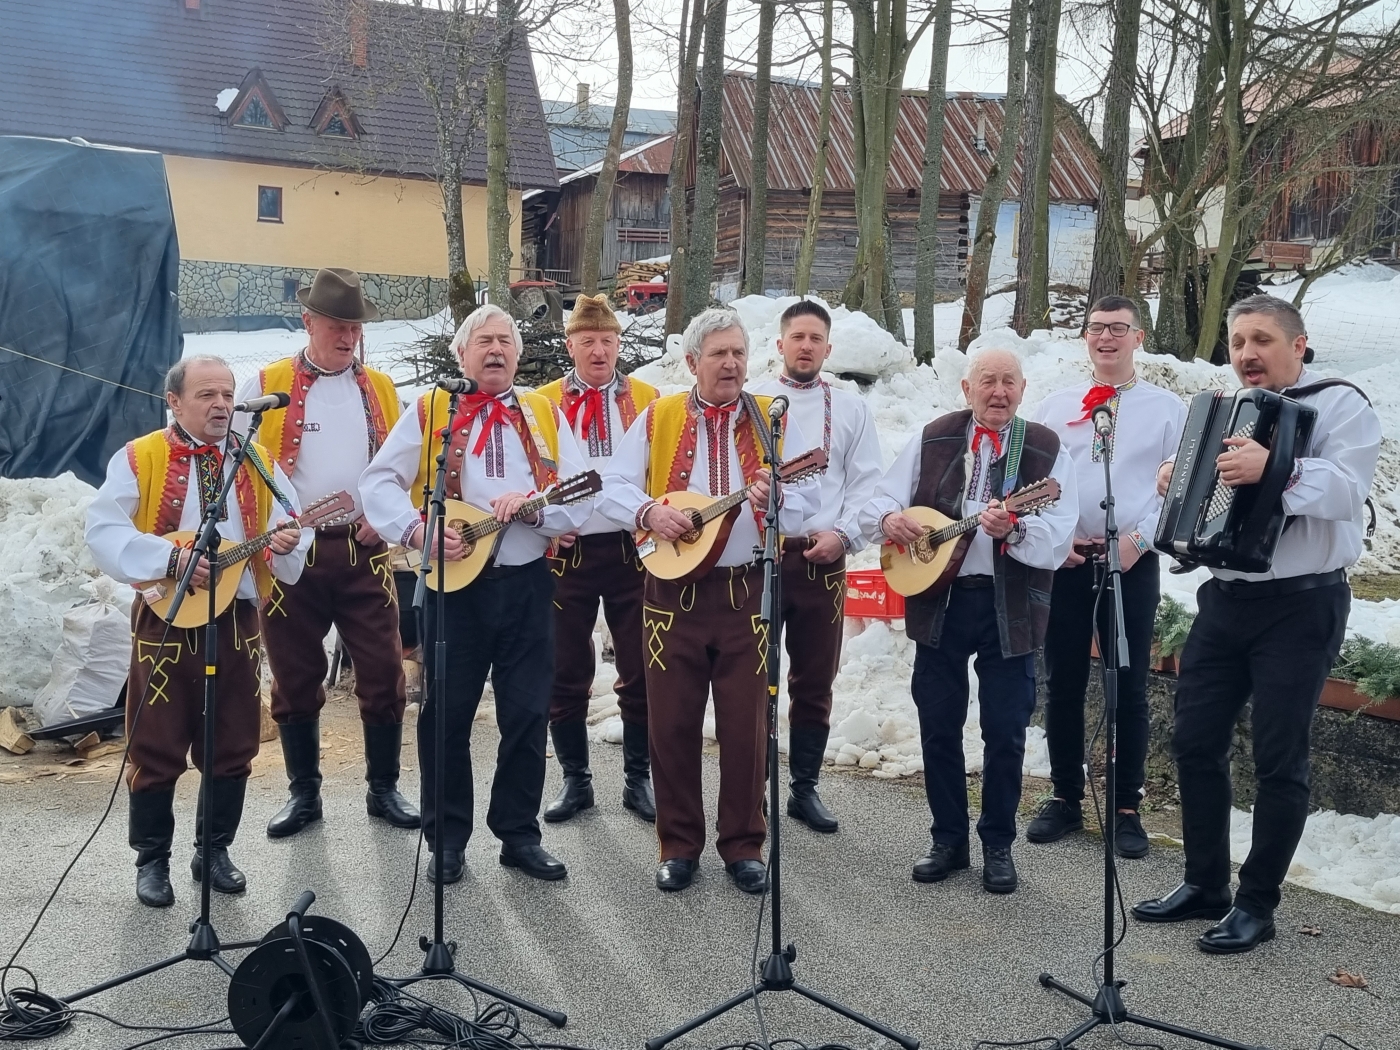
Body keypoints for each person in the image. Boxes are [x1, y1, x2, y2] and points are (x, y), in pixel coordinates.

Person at [1133, 294, 1381, 954]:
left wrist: (1276, 467)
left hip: (1302, 605)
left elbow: (1347, 489)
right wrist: (1176, 477)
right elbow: (1207, 498)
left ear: (1298, 345)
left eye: (1262, 340)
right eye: (1238, 341)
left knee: (1278, 758)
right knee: (1194, 742)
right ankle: (1205, 883)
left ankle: (1256, 904)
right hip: (1225, 600)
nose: (1246, 353)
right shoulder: (1228, 410)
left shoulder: (1341, 404)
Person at [360, 305, 592, 885]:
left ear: (518, 354)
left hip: (527, 584)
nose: (496, 350)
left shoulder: (543, 411)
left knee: (527, 713)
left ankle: (519, 835)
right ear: (461, 354)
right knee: (446, 715)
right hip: (453, 592)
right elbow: (379, 481)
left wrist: (537, 510)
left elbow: (583, 492)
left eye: (506, 341)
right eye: (484, 340)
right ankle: (445, 839)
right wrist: (417, 531)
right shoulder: (432, 408)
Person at [596, 307, 815, 894]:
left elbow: (810, 498)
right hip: (671, 593)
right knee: (672, 723)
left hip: (746, 592)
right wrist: (648, 511)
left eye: (739, 352)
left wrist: (776, 501)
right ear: (693, 362)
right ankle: (678, 845)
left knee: (747, 726)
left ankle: (744, 845)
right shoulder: (659, 415)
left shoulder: (771, 419)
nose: (731, 363)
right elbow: (612, 486)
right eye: (719, 353)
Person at [86, 356, 309, 907]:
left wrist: (286, 542)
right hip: (165, 613)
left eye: (228, 395)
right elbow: (103, 528)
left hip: (236, 617)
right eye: (207, 394)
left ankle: (214, 850)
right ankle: (152, 860)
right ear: (174, 401)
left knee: (232, 738)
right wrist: (168, 558)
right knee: (156, 738)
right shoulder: (140, 456)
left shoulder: (254, 457)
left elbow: (291, 520)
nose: (222, 405)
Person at [862, 348, 1076, 894]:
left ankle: (998, 845)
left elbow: (1059, 535)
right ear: (967, 388)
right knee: (938, 724)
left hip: (1011, 605)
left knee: (1005, 730)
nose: (998, 392)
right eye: (988, 381)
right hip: (940, 598)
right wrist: (890, 518)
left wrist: (1015, 530)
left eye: (1008, 382)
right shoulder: (934, 437)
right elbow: (879, 498)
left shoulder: (1047, 449)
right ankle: (948, 840)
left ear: (1023, 389)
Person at [234, 267, 419, 840]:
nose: (348, 336)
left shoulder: (381, 388)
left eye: (355, 327)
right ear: (308, 321)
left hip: (364, 552)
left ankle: (383, 788)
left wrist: (381, 518)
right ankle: (304, 794)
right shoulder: (265, 384)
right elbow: (237, 468)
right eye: (337, 325)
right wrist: (269, 530)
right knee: (294, 674)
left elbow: (405, 466)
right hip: (293, 555)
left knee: (384, 671)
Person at [1028, 295, 1186, 859]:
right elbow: (1037, 482)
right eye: (1096, 328)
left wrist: (1136, 543)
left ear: (1138, 338)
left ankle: (1125, 806)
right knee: (1063, 680)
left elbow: (1177, 490)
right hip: (1070, 560)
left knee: (1128, 682)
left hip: (1132, 562)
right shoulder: (1055, 406)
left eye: (1119, 328)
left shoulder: (1167, 409)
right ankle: (1066, 795)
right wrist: (1059, 535)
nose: (1106, 338)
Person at [748, 300, 882, 832]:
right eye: (797, 337)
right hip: (760, 558)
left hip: (821, 559)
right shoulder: (754, 401)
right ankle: (752, 788)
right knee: (753, 674)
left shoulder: (849, 409)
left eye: (816, 339)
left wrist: (843, 536)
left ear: (829, 348)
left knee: (815, 677)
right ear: (779, 344)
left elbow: (867, 484)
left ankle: (804, 788)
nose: (806, 346)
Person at [535, 295, 660, 824]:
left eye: (607, 341)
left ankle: (638, 779)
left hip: (633, 550)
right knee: (565, 667)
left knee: (641, 665)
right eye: (587, 341)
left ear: (618, 344)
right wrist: (546, 523)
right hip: (568, 553)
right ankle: (575, 779)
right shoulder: (542, 402)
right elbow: (532, 469)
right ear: (571, 346)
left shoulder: (651, 399)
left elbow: (662, 467)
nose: (599, 351)